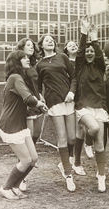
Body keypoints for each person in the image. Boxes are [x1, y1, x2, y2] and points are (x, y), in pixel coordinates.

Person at [0, 50, 48, 200]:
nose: (27, 59)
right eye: (23, 58)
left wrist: (39, 104)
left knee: (33, 159)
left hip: (20, 124)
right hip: (10, 125)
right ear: (16, 62)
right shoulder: (15, 77)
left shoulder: (21, 78)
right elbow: (27, 98)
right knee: (25, 160)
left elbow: (29, 97)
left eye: (27, 57)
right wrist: (39, 103)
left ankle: (15, 186)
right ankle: (6, 188)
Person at [37, 34, 77, 192]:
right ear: (41, 45)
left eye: (52, 40)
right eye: (46, 40)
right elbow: (37, 86)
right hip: (54, 103)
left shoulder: (62, 57)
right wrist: (40, 98)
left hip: (68, 100)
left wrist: (72, 92)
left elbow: (74, 77)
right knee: (62, 139)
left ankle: (64, 162)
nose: (50, 41)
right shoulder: (39, 64)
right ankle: (68, 175)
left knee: (72, 137)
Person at [74, 16, 108, 192]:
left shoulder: (100, 66)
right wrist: (84, 32)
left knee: (100, 145)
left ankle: (101, 177)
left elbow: (99, 53)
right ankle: (84, 149)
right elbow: (79, 52)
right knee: (93, 129)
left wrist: (95, 39)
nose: (88, 52)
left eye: (91, 51)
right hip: (83, 107)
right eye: (86, 51)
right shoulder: (79, 67)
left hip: (99, 107)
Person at [15, 37, 44, 191]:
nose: (31, 47)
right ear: (21, 48)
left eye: (32, 46)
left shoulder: (33, 64)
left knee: (36, 135)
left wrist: (40, 95)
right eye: (28, 45)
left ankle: (27, 160)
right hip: (27, 104)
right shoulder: (19, 65)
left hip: (37, 103)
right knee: (28, 138)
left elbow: (36, 84)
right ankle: (22, 176)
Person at [63, 41, 94, 176]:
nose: (73, 46)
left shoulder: (82, 60)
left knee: (90, 125)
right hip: (72, 97)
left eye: (75, 44)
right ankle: (75, 161)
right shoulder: (64, 62)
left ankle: (88, 144)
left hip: (86, 95)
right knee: (77, 130)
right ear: (66, 50)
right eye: (70, 45)